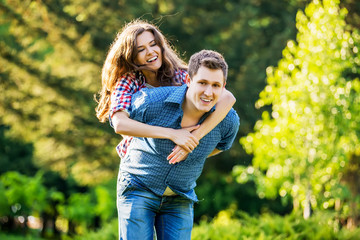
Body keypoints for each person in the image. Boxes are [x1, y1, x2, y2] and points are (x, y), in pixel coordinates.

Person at [114, 49, 240, 240]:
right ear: (188, 81)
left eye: (215, 85)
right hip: (138, 186)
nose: (208, 92)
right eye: (202, 83)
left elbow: (220, 146)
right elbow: (124, 124)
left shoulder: (228, 121)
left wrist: (192, 147)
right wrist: (171, 135)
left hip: (180, 195)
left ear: (224, 87)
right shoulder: (152, 102)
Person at [95, 19, 236, 163]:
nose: (150, 52)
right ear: (131, 56)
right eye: (141, 49)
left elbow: (228, 98)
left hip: (179, 155)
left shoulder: (180, 75)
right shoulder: (128, 81)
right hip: (143, 158)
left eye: (153, 44)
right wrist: (172, 134)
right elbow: (120, 124)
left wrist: (195, 137)